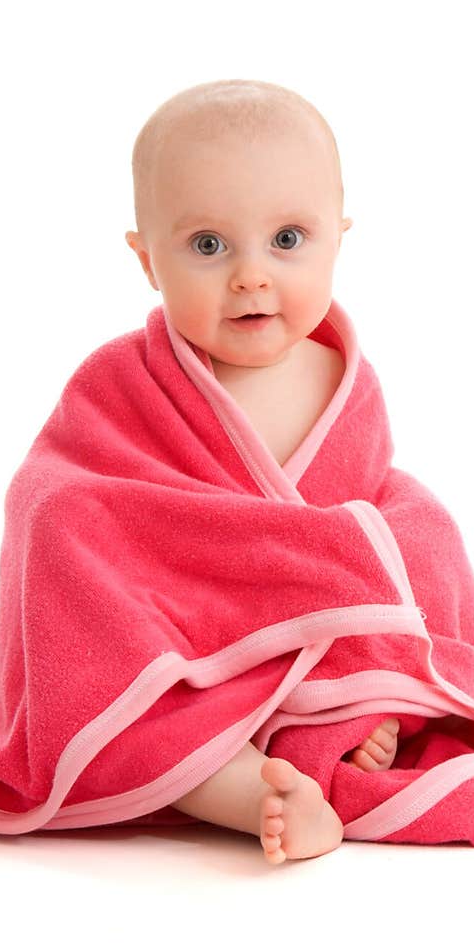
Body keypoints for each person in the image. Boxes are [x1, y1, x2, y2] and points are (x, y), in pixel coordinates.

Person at [125, 78, 400, 865]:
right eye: (208, 246)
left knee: (412, 528)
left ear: (336, 239)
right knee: (132, 719)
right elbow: (71, 509)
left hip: (311, 653)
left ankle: (357, 715)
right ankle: (258, 795)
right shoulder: (124, 390)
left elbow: (358, 557)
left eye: (287, 239)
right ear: (147, 260)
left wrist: (369, 671)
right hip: (180, 657)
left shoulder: (345, 384)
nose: (251, 275)